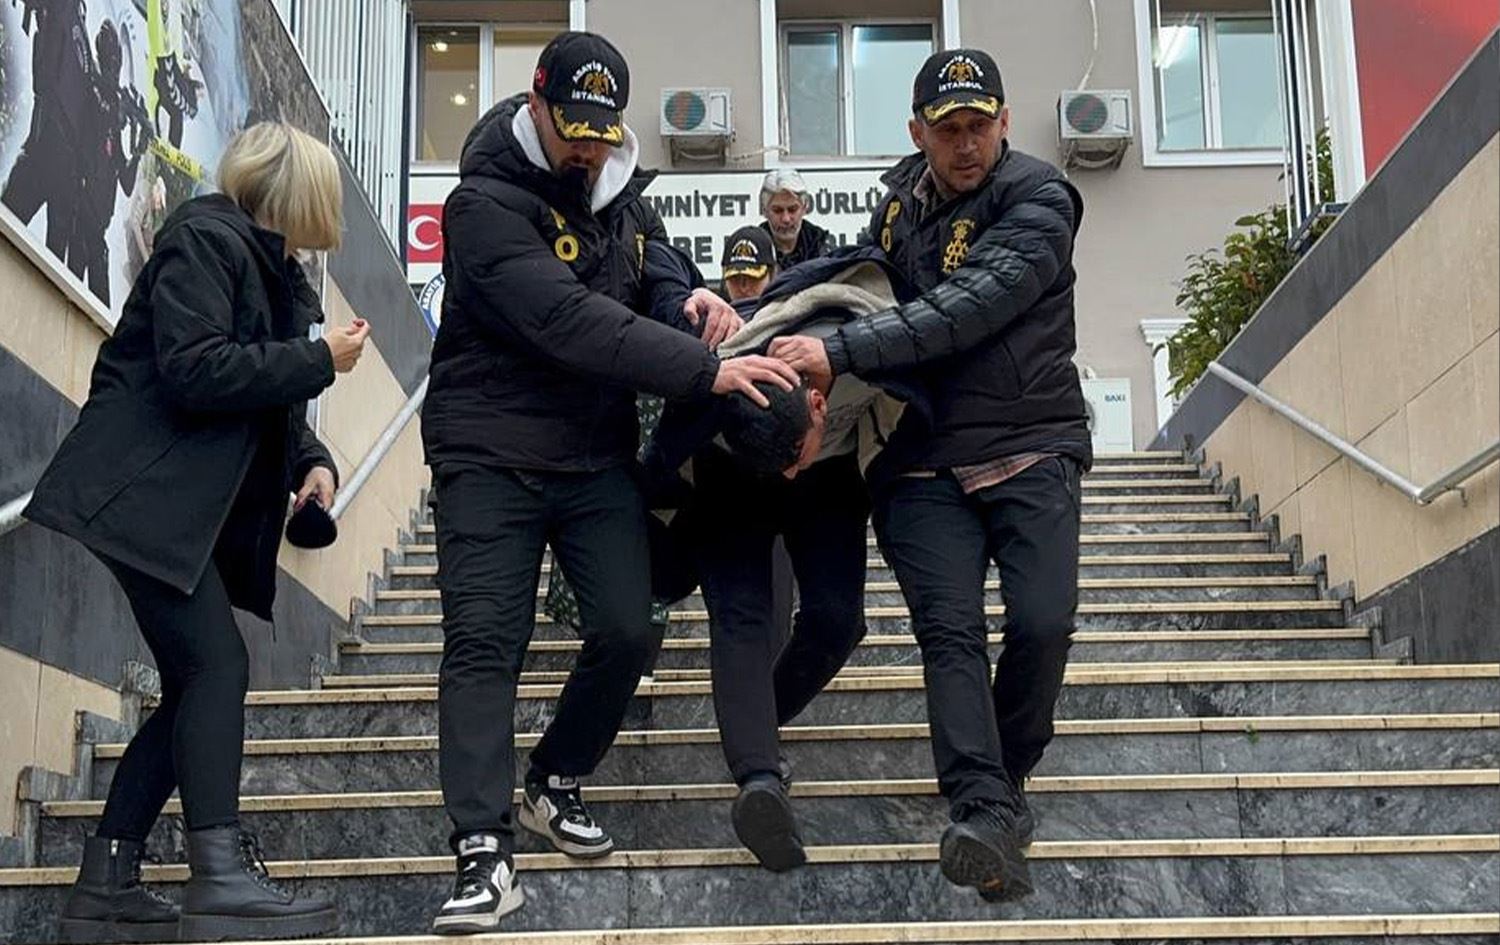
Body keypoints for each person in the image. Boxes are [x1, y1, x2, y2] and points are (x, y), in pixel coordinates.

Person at [422, 31, 796, 934]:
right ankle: (483, 849)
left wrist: (691, 302)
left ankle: (554, 777)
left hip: (591, 454)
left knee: (628, 626)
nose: (587, 148)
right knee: (486, 642)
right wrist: (702, 368)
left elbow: (654, 278)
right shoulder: (479, 205)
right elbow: (565, 318)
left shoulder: (624, 196)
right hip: (489, 451)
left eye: (601, 131)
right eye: (572, 128)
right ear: (536, 105)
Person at [24, 122, 365, 942]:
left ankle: (105, 884)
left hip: (166, 505)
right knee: (217, 665)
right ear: (295, 195)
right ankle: (219, 878)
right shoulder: (205, 240)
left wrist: (311, 461)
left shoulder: (267, 270)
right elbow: (195, 368)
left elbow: (266, 398)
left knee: (194, 681)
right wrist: (320, 358)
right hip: (138, 495)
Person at [769, 48, 1088, 904]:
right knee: (949, 633)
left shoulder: (1041, 198)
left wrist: (837, 353)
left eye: (980, 125)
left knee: (1043, 623)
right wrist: (758, 317)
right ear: (918, 132)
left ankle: (1003, 786)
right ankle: (980, 806)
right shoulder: (896, 209)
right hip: (917, 461)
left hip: (1031, 443)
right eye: (948, 129)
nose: (966, 143)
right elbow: (844, 284)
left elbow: (969, 305)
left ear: (1006, 121)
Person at [2, 0, 92, 259]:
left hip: (48, 145)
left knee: (8, 219)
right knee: (51, 259)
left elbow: (46, 79)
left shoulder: (66, 13)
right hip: (65, 164)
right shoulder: (82, 37)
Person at [758, 168, 835, 269]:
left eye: (792, 210)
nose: (786, 219)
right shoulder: (754, 247)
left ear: (805, 208)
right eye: (777, 211)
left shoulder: (820, 244)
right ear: (764, 211)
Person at [720, 224, 778, 302]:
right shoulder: (710, 309)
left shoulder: (790, 309)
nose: (743, 288)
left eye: (753, 278)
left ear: (772, 276)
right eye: (735, 277)